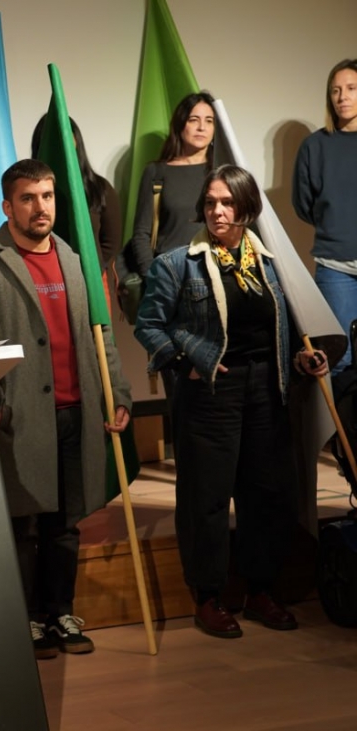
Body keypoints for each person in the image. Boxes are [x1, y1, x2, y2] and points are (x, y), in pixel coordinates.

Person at [136, 165, 329, 639]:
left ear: (247, 207)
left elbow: (284, 326)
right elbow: (149, 325)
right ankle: (208, 596)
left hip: (267, 387)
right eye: (210, 203)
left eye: (227, 203)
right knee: (206, 498)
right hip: (209, 391)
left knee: (265, 494)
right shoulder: (177, 263)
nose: (217, 211)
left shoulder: (271, 263)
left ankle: (261, 590)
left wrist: (301, 359)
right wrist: (185, 360)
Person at [0, 159, 131, 659]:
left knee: (65, 524)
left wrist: (117, 393)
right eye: (28, 198)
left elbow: (101, 335)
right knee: (23, 525)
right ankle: (28, 619)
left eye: (47, 196)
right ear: (7, 206)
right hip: (19, 417)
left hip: (76, 410)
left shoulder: (75, 259)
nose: (41, 207)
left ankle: (60, 611)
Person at [294, 59, 357, 372]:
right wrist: (337, 225)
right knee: (338, 357)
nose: (342, 97)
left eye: (351, 88)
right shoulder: (314, 146)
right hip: (335, 267)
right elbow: (303, 204)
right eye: (335, 90)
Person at [31, 115, 121, 305]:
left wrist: (92, 267)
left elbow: (111, 243)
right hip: (42, 282)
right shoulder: (30, 190)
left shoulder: (99, 188)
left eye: (66, 141)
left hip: (92, 280)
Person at [129, 92, 217, 276]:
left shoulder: (223, 171)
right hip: (170, 272)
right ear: (180, 124)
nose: (202, 127)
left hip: (215, 271)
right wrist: (152, 276)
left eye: (209, 121)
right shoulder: (156, 172)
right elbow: (141, 233)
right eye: (193, 120)